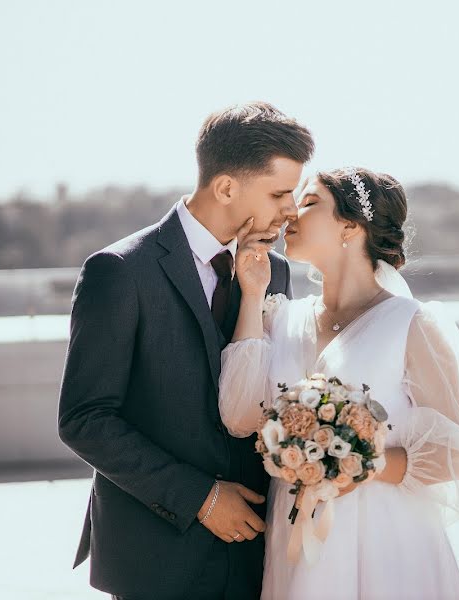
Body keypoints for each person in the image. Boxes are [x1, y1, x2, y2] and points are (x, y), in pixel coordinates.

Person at [219, 167, 459, 599]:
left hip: (388, 540)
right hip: (297, 541)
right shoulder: (280, 316)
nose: (288, 216)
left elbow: (455, 455)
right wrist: (250, 293)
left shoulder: (411, 324)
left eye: (309, 202)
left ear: (350, 226)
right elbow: (240, 416)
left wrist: (356, 465)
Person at [57, 101, 313, 599]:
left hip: (254, 554)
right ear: (225, 187)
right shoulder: (120, 271)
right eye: (280, 193)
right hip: (158, 556)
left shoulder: (275, 272)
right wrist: (202, 498)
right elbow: (85, 418)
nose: (291, 210)